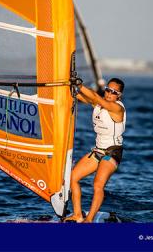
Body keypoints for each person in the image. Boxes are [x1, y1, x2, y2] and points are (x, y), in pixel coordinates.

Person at [64, 78, 126, 223]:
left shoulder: (117, 108)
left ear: (119, 95)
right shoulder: (98, 104)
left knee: (98, 184)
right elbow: (81, 96)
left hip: (112, 152)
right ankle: (78, 215)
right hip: (98, 151)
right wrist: (67, 86)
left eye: (114, 92)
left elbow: (95, 96)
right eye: (107, 90)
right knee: (72, 177)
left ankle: (89, 220)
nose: (109, 93)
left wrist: (79, 84)